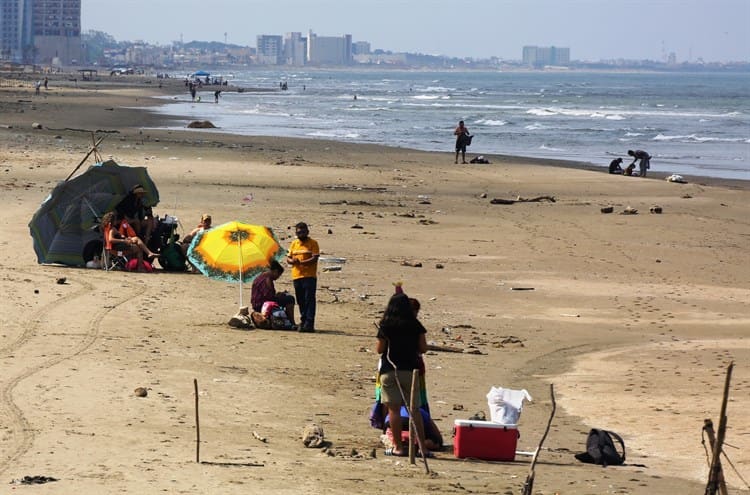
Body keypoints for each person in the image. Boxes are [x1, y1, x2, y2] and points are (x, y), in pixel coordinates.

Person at [376, 292, 428, 456]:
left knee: (394, 410)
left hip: (390, 370)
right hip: (410, 372)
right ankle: (422, 448)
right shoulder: (415, 325)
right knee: (415, 410)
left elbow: (380, 349)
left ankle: (398, 447)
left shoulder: (386, 325)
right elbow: (423, 348)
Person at [286, 222, 319, 332]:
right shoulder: (294, 244)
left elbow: (315, 258)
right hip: (297, 276)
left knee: (309, 299)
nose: (301, 234)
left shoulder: (313, 243)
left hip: (309, 276)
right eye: (299, 232)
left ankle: (309, 323)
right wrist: (293, 261)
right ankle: (303, 320)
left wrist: (302, 262)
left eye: (303, 232)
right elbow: (288, 259)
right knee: (300, 300)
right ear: (296, 233)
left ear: (307, 232)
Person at [250, 260, 297, 328]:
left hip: (256, 304)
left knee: (284, 297)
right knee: (290, 299)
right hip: (262, 305)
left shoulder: (261, 276)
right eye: (278, 275)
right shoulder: (267, 279)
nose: (278, 277)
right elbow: (269, 298)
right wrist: (279, 295)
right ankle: (292, 322)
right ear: (275, 271)